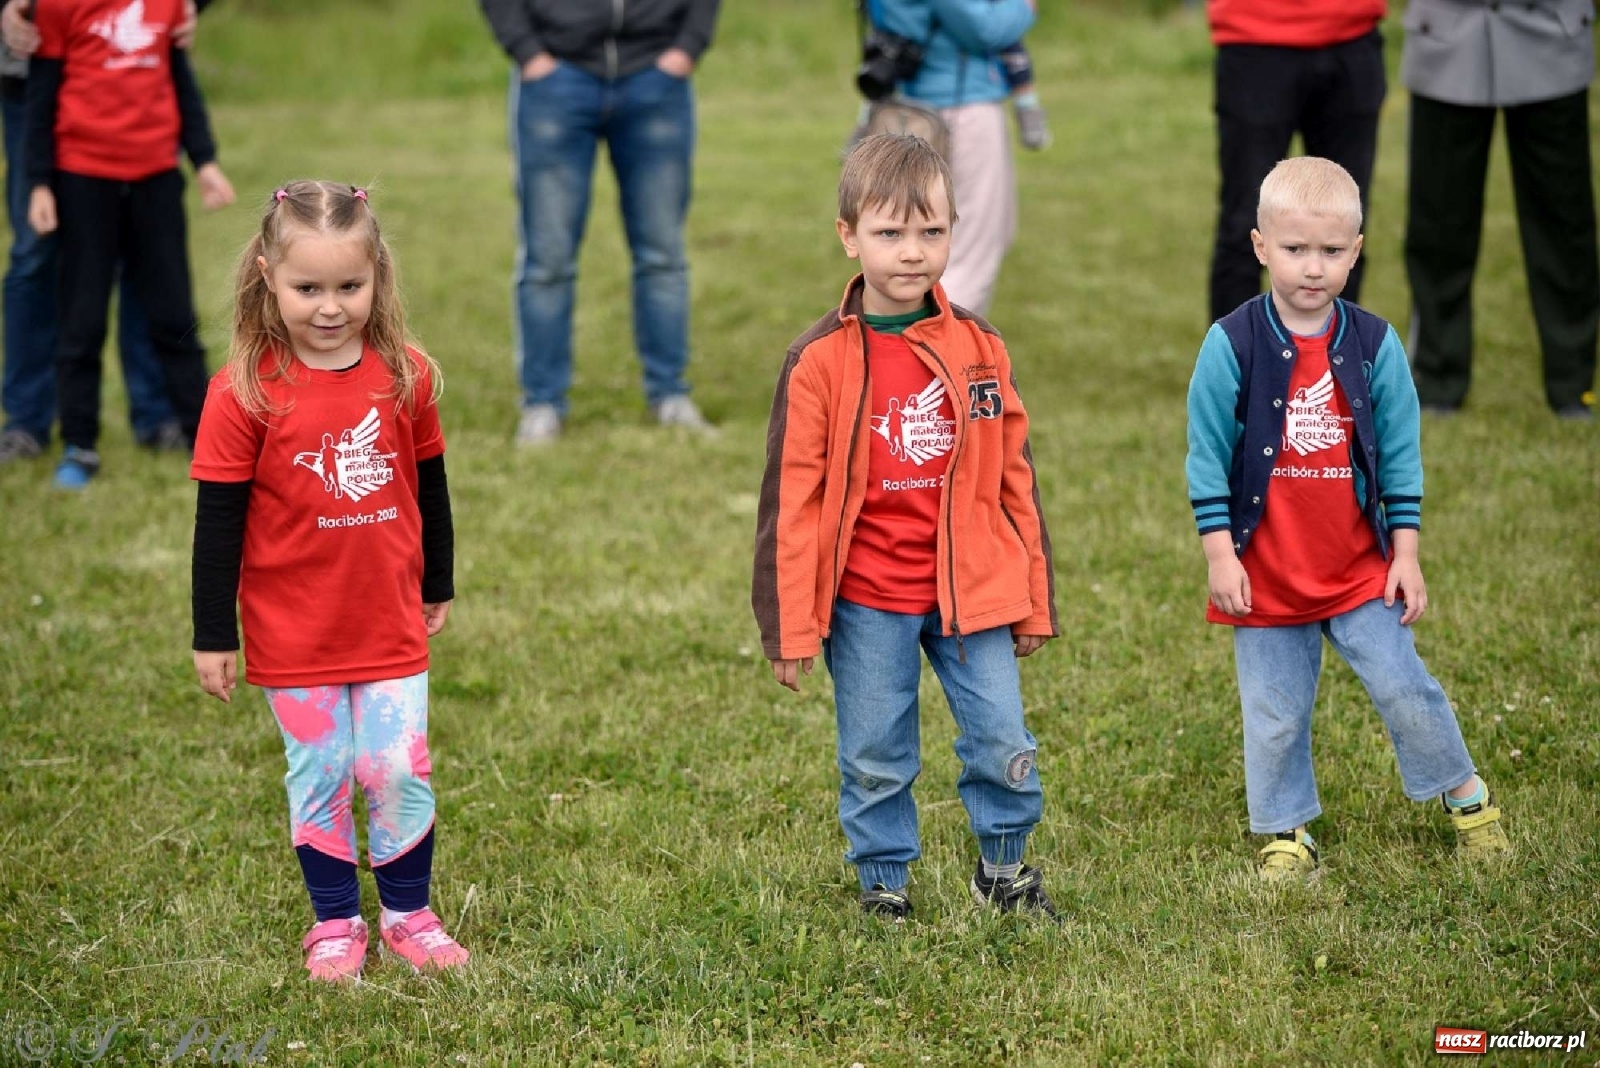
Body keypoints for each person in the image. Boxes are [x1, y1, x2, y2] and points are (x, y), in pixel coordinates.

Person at [752, 133, 1059, 920]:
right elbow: (793, 501)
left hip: (976, 592)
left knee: (1002, 738)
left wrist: (1033, 596)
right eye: (890, 233)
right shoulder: (818, 360)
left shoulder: (981, 349)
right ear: (849, 235)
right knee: (877, 755)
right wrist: (791, 623)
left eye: (933, 231)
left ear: (955, 231)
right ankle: (883, 882)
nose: (913, 253)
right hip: (868, 598)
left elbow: (1014, 480)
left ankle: (1006, 871)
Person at [1184, 157, 1510, 883]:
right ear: (1261, 245)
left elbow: (1399, 456)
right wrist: (1219, 554)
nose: (1313, 268)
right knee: (1274, 712)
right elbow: (1205, 456)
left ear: (1356, 251)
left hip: (1359, 569)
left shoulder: (1374, 345)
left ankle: (1469, 799)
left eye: (1332, 252)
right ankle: (1287, 832)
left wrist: (1407, 552)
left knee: (1405, 684)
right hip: (1264, 575)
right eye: (1295, 249)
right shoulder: (1230, 345)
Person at [190, 181, 468, 982]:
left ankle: (409, 915)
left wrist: (436, 580)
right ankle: (336, 923)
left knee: (396, 768)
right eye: (307, 288)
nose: (329, 306)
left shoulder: (404, 376)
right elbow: (218, 529)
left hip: (386, 621)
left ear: (377, 276)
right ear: (267, 277)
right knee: (321, 773)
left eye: (349, 286)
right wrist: (215, 634)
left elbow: (431, 485)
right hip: (292, 630)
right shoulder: (242, 393)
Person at [478, 0, 722, 447]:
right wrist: (527, 53)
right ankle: (542, 403)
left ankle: (670, 395)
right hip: (555, 78)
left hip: (657, 76)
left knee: (662, 253)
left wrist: (687, 47)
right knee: (547, 259)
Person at [23, 0, 233, 488]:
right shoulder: (56, 7)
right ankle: (79, 445)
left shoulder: (170, 5)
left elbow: (183, 86)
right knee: (83, 318)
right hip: (82, 182)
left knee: (174, 315)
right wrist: (38, 182)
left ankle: (208, 436)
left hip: (155, 181)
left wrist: (204, 161)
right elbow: (41, 98)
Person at [1401, 0, 1598, 419]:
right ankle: (1436, 377)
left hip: (1552, 33)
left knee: (1564, 224)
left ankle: (1574, 384)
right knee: (1437, 225)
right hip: (1445, 36)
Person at [1204, 0, 1387, 323]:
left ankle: (1333, 365)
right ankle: (1233, 367)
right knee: (1244, 228)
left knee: (1343, 226)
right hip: (1252, 35)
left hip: (1352, 33)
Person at [861, 0, 1036, 316]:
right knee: (969, 252)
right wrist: (1023, 6)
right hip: (959, 110)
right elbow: (985, 30)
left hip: (905, 109)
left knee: (910, 241)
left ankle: (905, 348)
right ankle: (939, 354)